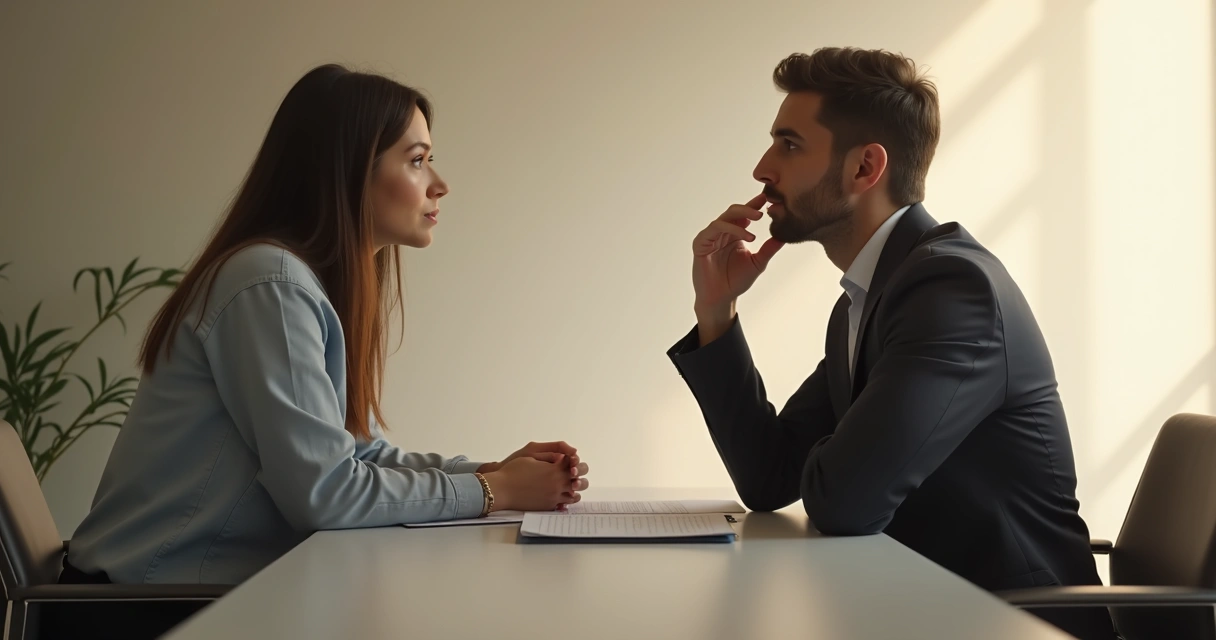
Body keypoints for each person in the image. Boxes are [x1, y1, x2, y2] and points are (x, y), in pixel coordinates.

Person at [60, 64, 589, 617]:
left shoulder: (298, 282)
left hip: (205, 597)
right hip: (144, 609)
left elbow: (359, 453)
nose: (440, 183)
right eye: (417, 159)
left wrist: (491, 472)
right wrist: (495, 492)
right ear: (348, 172)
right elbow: (327, 493)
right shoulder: (268, 283)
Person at [666, 48, 1114, 639]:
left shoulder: (952, 290)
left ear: (864, 168)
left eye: (789, 144)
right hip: (919, 609)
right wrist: (716, 309)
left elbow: (844, 502)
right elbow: (770, 477)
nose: (761, 169)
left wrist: (844, 461)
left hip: (1010, 622)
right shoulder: (871, 298)